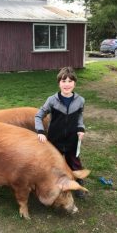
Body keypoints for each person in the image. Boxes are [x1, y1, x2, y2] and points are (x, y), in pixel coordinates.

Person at [35, 66, 86, 198]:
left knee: (75, 164)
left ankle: (78, 184)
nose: (67, 84)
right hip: (55, 140)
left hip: (72, 140)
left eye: (70, 81)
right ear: (59, 83)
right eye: (64, 81)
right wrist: (40, 131)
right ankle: (51, 186)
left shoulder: (80, 100)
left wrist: (81, 129)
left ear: (75, 83)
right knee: (54, 166)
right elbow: (38, 115)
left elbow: (80, 116)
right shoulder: (52, 100)